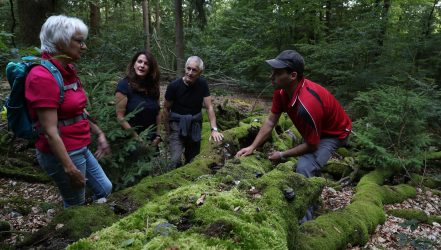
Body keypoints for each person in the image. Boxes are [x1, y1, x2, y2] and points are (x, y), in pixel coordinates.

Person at [235, 50, 352, 223]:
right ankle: (314, 197)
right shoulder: (281, 91)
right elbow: (270, 122)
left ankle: (305, 223)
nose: (271, 77)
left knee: (304, 167)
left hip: (333, 134)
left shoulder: (307, 104)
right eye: (272, 72)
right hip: (316, 130)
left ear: (293, 75)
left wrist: (282, 155)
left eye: (277, 73)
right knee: (310, 162)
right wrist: (252, 147)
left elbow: (313, 145)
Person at [25, 15, 112, 208]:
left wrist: (99, 134)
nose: (84, 46)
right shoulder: (41, 77)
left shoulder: (68, 69)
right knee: (75, 206)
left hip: (80, 146)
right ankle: (76, 236)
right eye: (79, 41)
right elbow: (50, 131)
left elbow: (78, 111)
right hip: (63, 152)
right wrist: (69, 169)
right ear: (61, 42)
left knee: (105, 189)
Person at [163, 56, 223, 168]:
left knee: (192, 160)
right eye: (188, 68)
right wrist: (168, 131)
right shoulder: (174, 86)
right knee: (174, 161)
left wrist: (214, 129)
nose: (190, 73)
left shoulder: (202, 84)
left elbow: (209, 107)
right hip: (176, 125)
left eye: (194, 70)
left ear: (200, 72)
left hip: (195, 125)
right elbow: (166, 109)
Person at [115, 50, 161, 146]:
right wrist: (138, 139)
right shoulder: (124, 86)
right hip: (131, 142)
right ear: (134, 64)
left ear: (150, 68)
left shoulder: (153, 87)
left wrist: (158, 136)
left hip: (152, 142)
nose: (142, 65)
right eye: (139, 61)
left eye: (146, 63)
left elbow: (158, 113)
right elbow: (120, 117)